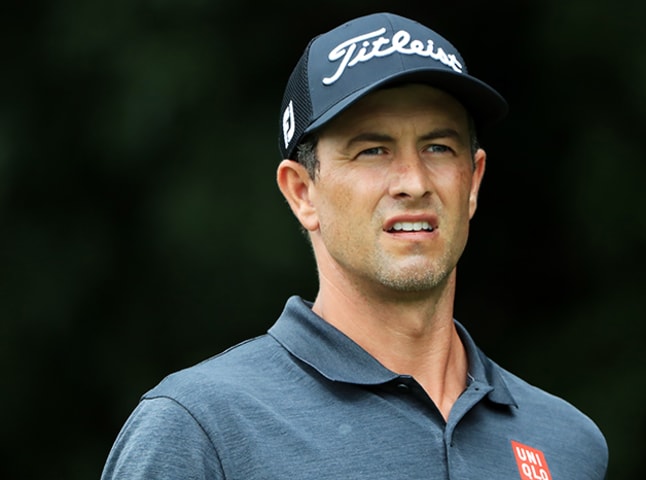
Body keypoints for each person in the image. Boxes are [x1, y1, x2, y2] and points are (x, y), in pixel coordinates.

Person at [101, 12, 609, 480]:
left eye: (438, 146)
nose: (413, 181)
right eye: (372, 150)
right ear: (303, 193)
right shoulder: (200, 431)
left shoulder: (567, 444)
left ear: (472, 181)